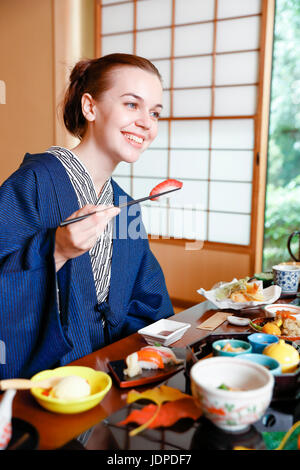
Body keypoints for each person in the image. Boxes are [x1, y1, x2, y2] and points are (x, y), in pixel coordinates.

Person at [0, 53, 174, 379]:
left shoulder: (125, 204)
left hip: (111, 378)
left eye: (155, 112)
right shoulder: (35, 181)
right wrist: (55, 250)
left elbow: (149, 300)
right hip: (48, 384)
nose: (147, 123)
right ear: (90, 107)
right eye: (132, 105)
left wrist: (134, 360)